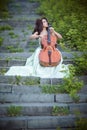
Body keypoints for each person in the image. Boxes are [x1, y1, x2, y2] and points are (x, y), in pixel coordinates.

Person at [5, 17, 69, 78]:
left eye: (46, 21)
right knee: (38, 57)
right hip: (42, 49)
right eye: (43, 22)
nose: (46, 23)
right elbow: (31, 37)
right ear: (41, 24)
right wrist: (38, 36)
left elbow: (60, 37)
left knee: (57, 55)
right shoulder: (39, 31)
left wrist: (54, 31)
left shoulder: (50, 31)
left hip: (52, 49)